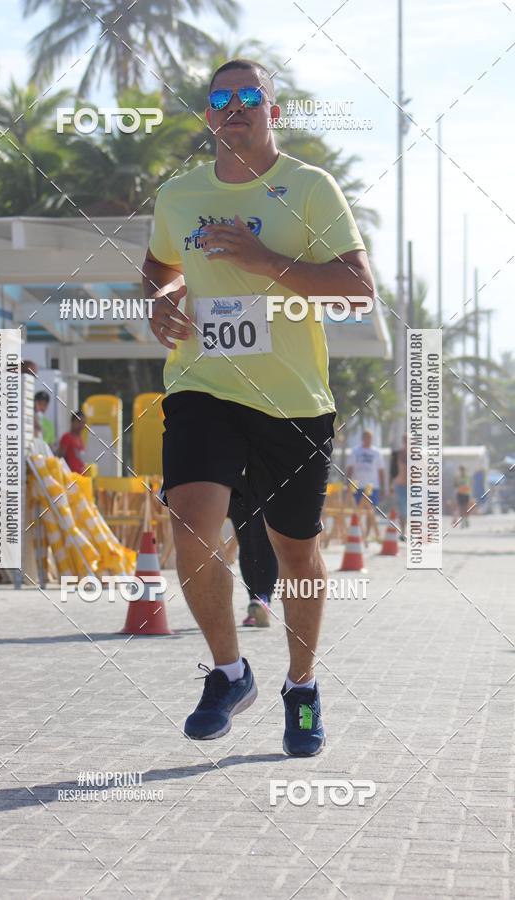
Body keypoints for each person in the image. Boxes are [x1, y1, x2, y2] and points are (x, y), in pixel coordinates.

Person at [143, 58, 374, 755]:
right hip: (202, 384)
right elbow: (159, 269)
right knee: (190, 520)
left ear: (274, 111)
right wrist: (158, 304)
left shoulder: (308, 187)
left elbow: (357, 289)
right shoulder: (179, 196)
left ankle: (301, 688)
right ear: (208, 113)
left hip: (292, 399)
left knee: (296, 552)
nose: (234, 106)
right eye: (222, 97)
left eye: (250, 96)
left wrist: (263, 258)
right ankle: (228, 671)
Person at [227, 474, 278, 628]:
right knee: (246, 543)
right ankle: (254, 605)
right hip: (235, 476)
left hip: (265, 471)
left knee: (262, 537)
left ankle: (264, 599)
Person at [347, 430, 385, 508]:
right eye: (366, 437)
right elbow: (350, 468)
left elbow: (381, 471)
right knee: (358, 510)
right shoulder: (355, 451)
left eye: (370, 438)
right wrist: (347, 483)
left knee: (371, 511)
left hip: (372, 487)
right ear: (363, 438)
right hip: (358, 486)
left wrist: (383, 487)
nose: (368, 440)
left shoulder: (376, 452)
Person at [392, 433, 408, 540]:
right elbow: (392, 471)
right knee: (402, 510)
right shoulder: (398, 454)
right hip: (400, 485)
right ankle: (403, 533)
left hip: (413, 487)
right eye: (405, 440)